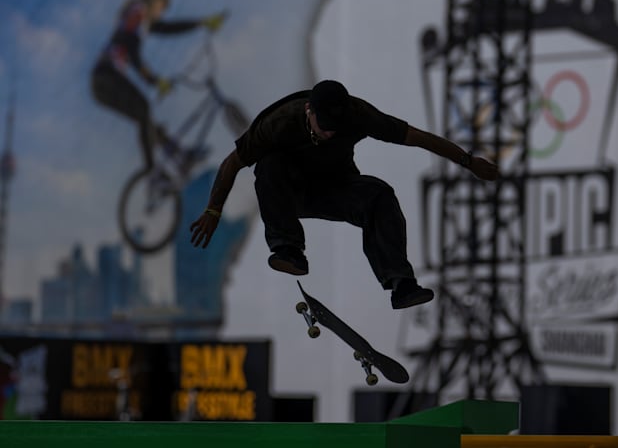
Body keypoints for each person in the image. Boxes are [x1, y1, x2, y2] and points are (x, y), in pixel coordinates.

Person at [188, 80, 499, 309]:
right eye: (323, 127)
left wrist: (468, 162)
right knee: (269, 165)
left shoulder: (359, 115)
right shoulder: (279, 122)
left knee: (379, 194)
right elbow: (232, 163)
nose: (329, 133)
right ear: (309, 110)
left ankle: (401, 284)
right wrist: (213, 211)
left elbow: (417, 137)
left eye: (335, 128)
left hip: (336, 188)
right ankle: (288, 249)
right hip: (291, 193)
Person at [91, 0, 226, 171]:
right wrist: (153, 79)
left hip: (102, 81)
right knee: (144, 109)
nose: (163, 11)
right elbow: (131, 48)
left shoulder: (142, 18)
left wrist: (201, 23)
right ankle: (152, 173)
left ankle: (180, 155)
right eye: (164, 6)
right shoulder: (139, 10)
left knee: (145, 120)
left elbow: (168, 28)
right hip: (105, 75)